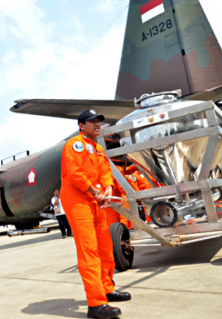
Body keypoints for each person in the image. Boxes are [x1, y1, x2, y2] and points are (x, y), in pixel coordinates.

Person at [61, 110, 131, 319]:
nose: (97, 124)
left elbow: (105, 172)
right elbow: (74, 173)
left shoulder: (98, 148)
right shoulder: (74, 145)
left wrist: (108, 188)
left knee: (105, 246)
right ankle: (96, 303)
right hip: (78, 201)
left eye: (98, 121)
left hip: (96, 199)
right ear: (82, 125)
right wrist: (94, 190)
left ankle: (107, 289)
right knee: (89, 250)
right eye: (92, 122)